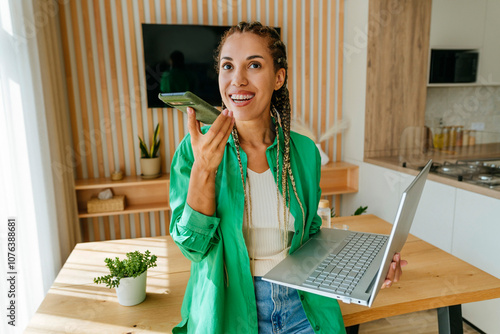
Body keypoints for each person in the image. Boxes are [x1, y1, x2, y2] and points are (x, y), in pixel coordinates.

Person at [169, 21, 407, 333]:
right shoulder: (195, 149)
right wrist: (204, 169)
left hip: (302, 306)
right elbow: (192, 247)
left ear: (278, 77)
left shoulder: (304, 152)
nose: (237, 80)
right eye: (227, 66)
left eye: (254, 64)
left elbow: (310, 235)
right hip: (230, 311)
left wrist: (367, 267)